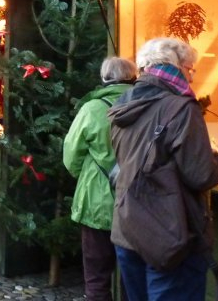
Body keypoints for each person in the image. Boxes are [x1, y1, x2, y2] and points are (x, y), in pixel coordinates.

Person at [108, 37, 218, 301]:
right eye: (190, 69)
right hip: (171, 234)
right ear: (176, 67)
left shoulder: (123, 104)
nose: (192, 77)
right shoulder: (182, 108)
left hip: (127, 229)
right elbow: (200, 175)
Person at [63, 57, 137, 301]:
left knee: (96, 279)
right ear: (133, 77)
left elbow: (71, 155)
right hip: (137, 204)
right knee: (133, 279)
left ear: (104, 78)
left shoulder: (92, 109)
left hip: (96, 203)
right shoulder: (145, 105)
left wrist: (87, 175)